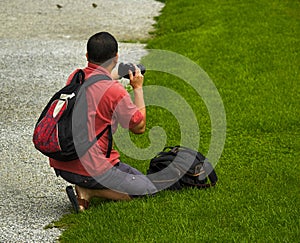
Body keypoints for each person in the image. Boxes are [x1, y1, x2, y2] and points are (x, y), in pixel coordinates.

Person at [50, 32, 157, 212]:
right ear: (116, 57)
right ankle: (89, 191)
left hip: (63, 163)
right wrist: (137, 88)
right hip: (92, 169)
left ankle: (86, 188)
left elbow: (96, 79)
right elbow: (139, 127)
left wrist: (119, 72)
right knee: (148, 189)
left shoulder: (76, 77)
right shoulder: (114, 91)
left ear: (86, 56)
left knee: (136, 179)